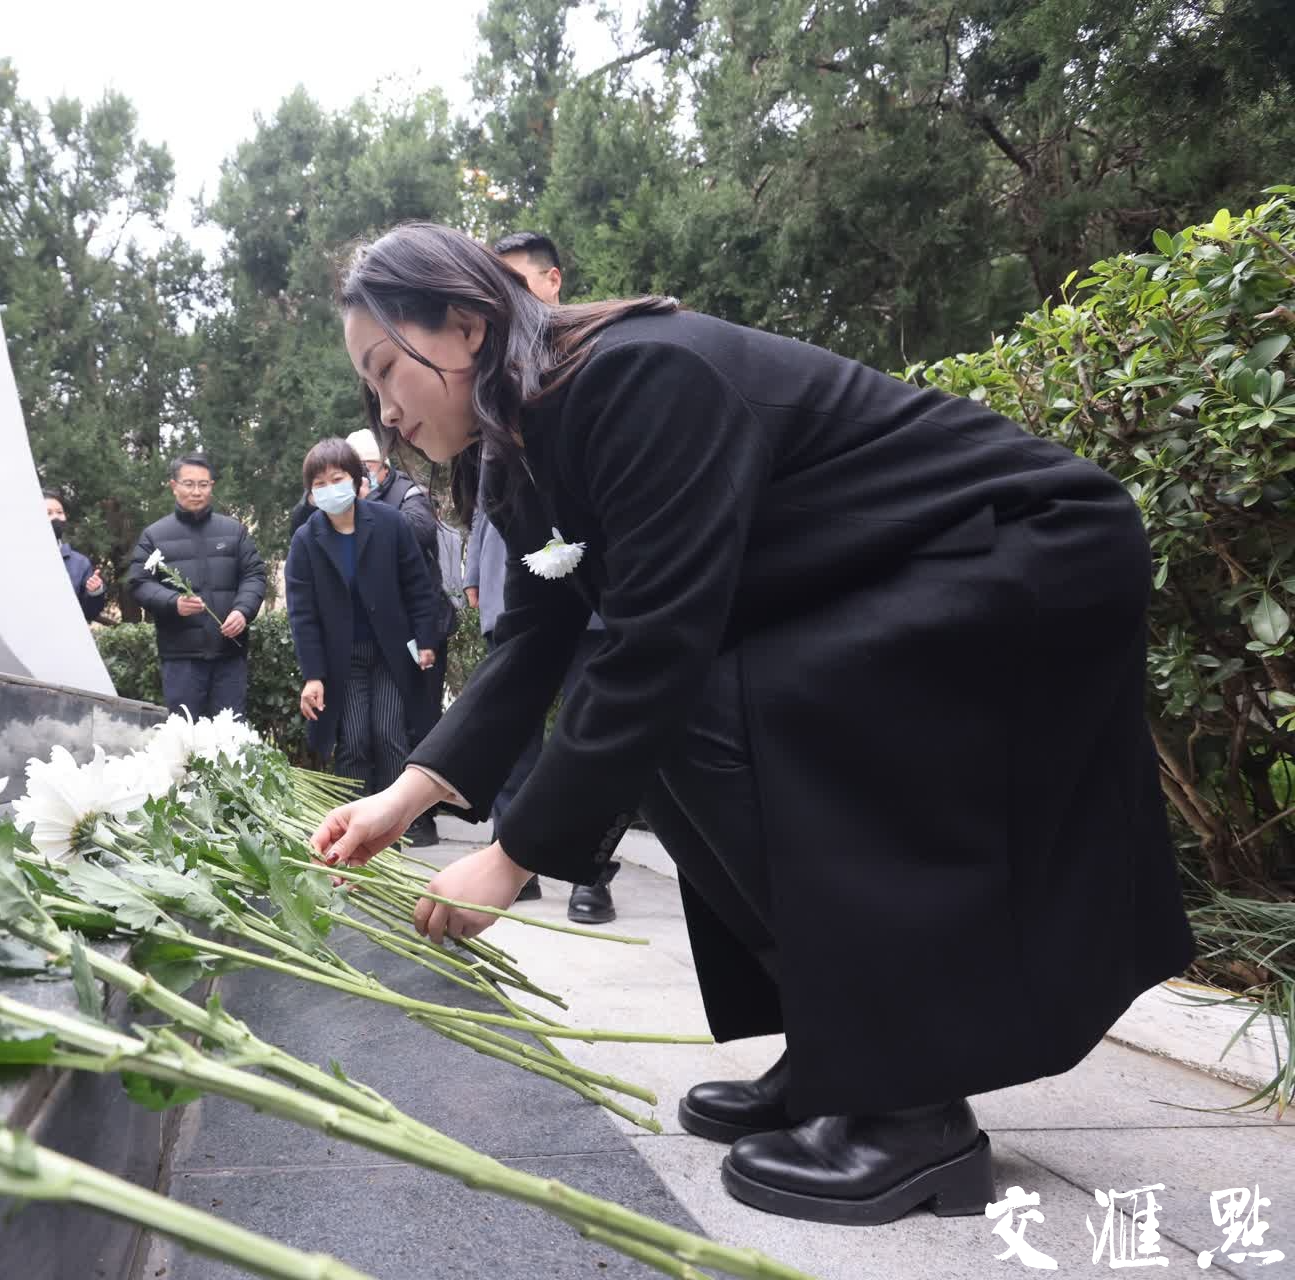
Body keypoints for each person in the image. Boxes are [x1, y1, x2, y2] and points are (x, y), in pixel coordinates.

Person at [310, 222, 1194, 1226]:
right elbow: (539, 630)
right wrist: (408, 792)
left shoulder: (637, 378)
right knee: (671, 722)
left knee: (691, 704)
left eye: (387, 367)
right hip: (914, 569)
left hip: (1026, 551)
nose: (382, 408)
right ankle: (840, 1052)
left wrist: (511, 854)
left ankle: (907, 1107)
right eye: (368, 386)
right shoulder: (515, 448)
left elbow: (654, 641)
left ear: (465, 324)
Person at [478, 230, 620, 923]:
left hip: (617, 613)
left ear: (552, 281)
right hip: (554, 598)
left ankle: (589, 870)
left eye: (511, 284)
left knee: (599, 721)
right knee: (524, 734)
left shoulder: (607, 368)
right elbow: (522, 597)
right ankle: (520, 850)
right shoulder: (503, 416)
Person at [464, 508, 609, 919]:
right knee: (512, 732)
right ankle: (512, 850)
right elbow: (485, 502)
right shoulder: (489, 456)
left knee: (589, 720)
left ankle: (589, 869)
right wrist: (473, 571)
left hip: (590, 585)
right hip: (514, 585)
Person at [285, 438, 440, 795]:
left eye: (337, 479)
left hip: (391, 652)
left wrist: (426, 639)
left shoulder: (391, 524)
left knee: (389, 737)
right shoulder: (306, 541)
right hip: (343, 659)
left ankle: (392, 831)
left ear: (357, 480)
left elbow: (417, 584)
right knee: (352, 742)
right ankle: (353, 834)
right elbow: (302, 614)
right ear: (310, 493)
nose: (329, 489)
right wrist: (313, 676)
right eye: (319, 484)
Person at [346, 426, 454, 847]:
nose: (358, 477)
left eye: (364, 469)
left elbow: (421, 531)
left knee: (421, 720)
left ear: (381, 468)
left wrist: (366, 512)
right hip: (377, 636)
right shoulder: (347, 502)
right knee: (379, 727)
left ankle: (421, 818)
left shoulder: (409, 495)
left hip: (421, 630)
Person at [125, 454, 266, 718]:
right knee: (185, 739)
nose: (196, 492)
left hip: (229, 654)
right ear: (174, 486)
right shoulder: (155, 535)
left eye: (203, 485)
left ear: (212, 486)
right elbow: (138, 582)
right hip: (181, 657)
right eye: (189, 484)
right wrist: (173, 603)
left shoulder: (234, 531)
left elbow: (254, 575)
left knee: (230, 739)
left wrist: (243, 611)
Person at [44, 488, 107, 622]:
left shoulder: (79, 563)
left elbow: (89, 614)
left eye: (59, 512)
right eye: (48, 513)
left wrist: (94, 591)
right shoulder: (19, 559)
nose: (56, 517)